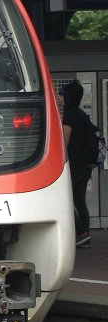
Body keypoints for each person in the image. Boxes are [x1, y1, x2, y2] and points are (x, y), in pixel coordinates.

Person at [60, 80, 94, 247]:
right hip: (85, 164)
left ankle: (80, 233)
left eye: (62, 95)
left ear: (68, 97)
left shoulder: (70, 115)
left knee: (64, 198)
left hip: (74, 164)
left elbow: (64, 142)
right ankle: (85, 236)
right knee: (79, 200)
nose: (59, 98)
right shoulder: (81, 115)